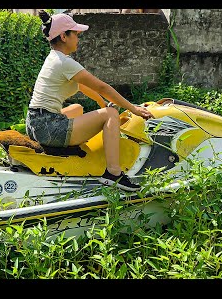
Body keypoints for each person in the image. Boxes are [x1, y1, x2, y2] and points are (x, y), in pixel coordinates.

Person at [25, 10, 153, 191]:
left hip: (35, 123)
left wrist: (102, 104)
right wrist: (133, 109)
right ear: (63, 36)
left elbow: (84, 87)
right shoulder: (64, 62)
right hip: (47, 128)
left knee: (77, 108)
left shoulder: (56, 59)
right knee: (110, 114)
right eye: (75, 34)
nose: (78, 38)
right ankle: (113, 174)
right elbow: (102, 87)